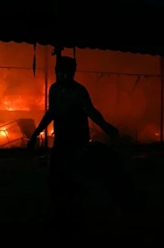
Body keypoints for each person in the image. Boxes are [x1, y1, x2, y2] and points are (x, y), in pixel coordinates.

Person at [27, 56, 120, 238]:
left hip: (77, 142)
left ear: (73, 73)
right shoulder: (54, 90)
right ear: (57, 71)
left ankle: (75, 222)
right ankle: (62, 217)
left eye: (68, 72)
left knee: (75, 181)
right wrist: (35, 134)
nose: (64, 75)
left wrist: (107, 127)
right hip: (62, 142)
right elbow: (51, 113)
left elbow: (91, 111)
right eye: (61, 71)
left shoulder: (79, 91)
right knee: (55, 181)